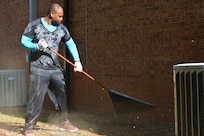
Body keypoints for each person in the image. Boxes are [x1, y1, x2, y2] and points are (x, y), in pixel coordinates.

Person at [20, 3, 83, 136]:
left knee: (62, 95)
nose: (61, 19)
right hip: (38, 67)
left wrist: (77, 61)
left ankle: (64, 122)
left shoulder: (62, 29)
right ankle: (28, 126)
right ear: (52, 14)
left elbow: (70, 43)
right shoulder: (35, 25)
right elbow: (24, 41)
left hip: (54, 68)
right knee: (35, 97)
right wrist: (37, 46)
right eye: (59, 16)